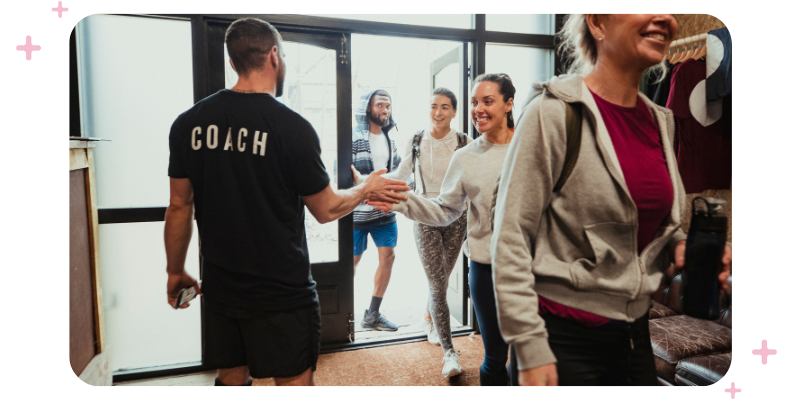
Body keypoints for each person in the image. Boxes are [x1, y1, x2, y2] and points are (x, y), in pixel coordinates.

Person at [490, 14, 733, 386]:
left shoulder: (660, 120)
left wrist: (679, 244)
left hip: (633, 332)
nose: (665, 17)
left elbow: (643, 218)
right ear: (598, 24)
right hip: (561, 336)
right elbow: (509, 240)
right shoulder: (552, 112)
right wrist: (528, 346)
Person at [164, 18, 409, 386]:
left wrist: (174, 270)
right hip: (283, 293)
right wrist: (366, 189)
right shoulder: (291, 127)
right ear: (274, 57)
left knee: (231, 380)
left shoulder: (189, 124)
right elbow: (326, 209)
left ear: (233, 62)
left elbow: (179, 206)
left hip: (221, 287)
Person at [369, 74, 517, 385]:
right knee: (492, 355)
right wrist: (393, 196)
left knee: (526, 357)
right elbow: (442, 207)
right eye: (475, 102)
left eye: (487, 101)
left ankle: (431, 317)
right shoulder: (462, 154)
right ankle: (449, 350)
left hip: (527, 268)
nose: (478, 108)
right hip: (477, 259)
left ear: (509, 104)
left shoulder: (531, 148)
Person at [354, 87, 471, 378]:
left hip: (457, 218)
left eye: (445, 107)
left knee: (442, 276)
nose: (438, 112)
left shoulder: (464, 142)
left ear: (454, 112)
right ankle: (449, 353)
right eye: (433, 106)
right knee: (438, 283)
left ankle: (428, 317)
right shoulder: (418, 139)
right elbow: (401, 174)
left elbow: (472, 181)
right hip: (424, 215)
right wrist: (370, 184)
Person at [351, 89, 403, 331]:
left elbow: (400, 172)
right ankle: (340, 314)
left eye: (388, 106)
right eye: (380, 105)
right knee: (351, 262)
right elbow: (343, 174)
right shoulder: (353, 137)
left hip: (384, 212)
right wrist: (363, 184)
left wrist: (398, 192)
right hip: (356, 213)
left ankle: (373, 314)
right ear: (368, 108)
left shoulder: (390, 138)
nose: (385, 110)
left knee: (388, 258)